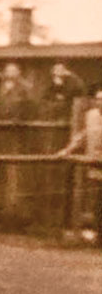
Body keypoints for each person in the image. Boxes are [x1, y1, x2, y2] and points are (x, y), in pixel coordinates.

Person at [57, 88, 102, 246]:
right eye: (98, 99)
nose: (100, 102)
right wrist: (68, 150)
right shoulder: (91, 116)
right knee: (96, 202)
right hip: (94, 165)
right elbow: (83, 135)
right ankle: (98, 237)